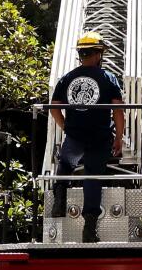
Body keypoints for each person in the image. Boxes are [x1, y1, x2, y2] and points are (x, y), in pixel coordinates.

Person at [49, 32, 125, 243]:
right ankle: (89, 228)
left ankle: (59, 201)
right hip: (99, 138)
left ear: (81, 54)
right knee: (92, 177)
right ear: (99, 54)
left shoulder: (67, 78)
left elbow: (54, 108)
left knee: (65, 165)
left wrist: (66, 127)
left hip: (75, 136)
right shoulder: (108, 78)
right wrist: (118, 137)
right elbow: (118, 111)